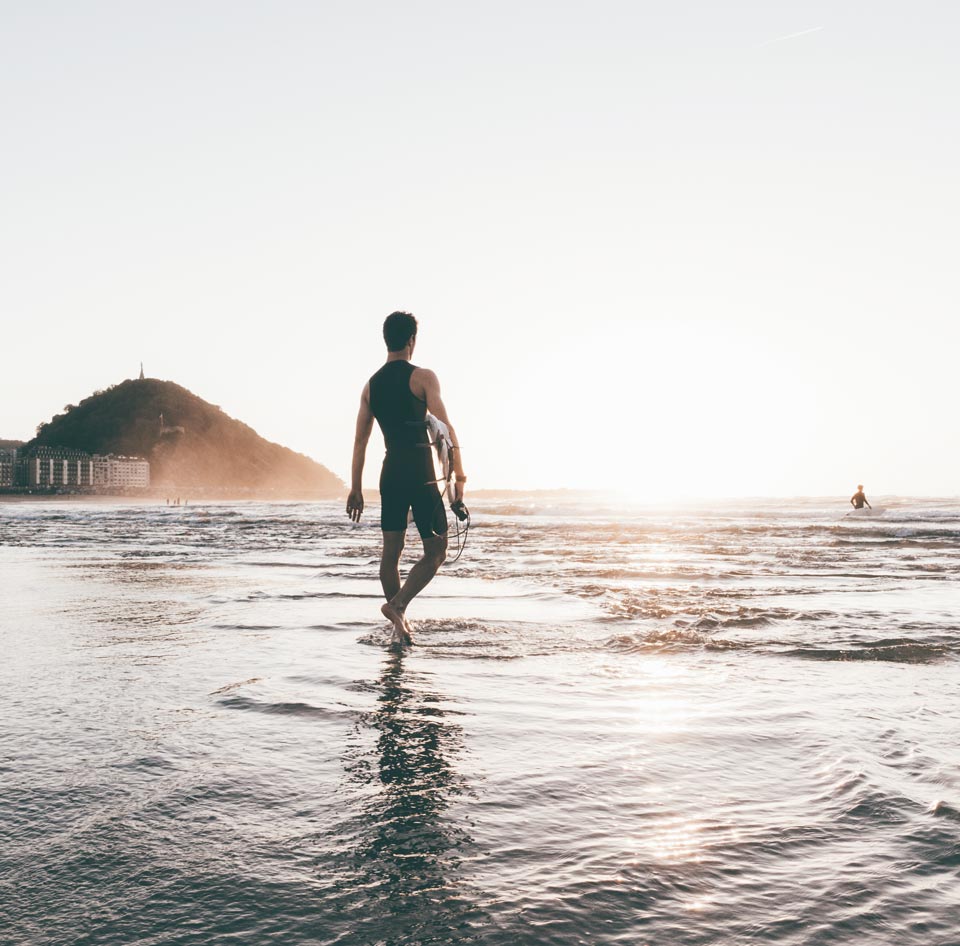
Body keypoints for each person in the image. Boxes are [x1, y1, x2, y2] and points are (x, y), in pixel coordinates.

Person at [347, 311, 467, 645]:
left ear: (386, 340)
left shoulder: (370, 387)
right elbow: (446, 428)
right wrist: (458, 474)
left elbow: (360, 441)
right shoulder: (423, 377)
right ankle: (398, 606)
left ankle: (399, 626)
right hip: (420, 473)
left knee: (391, 553)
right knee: (437, 550)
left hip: (390, 473)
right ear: (412, 340)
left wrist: (356, 488)